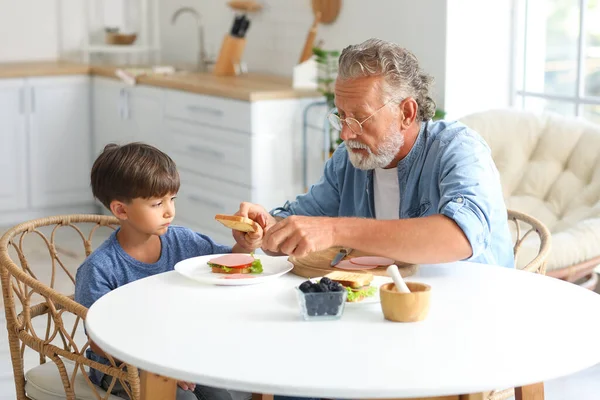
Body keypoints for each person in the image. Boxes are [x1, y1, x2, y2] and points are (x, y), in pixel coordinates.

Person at [231, 38, 514, 269]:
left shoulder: (459, 148)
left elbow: (461, 237)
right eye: (341, 116)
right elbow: (303, 223)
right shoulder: (348, 160)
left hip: (473, 308)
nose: (345, 134)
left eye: (359, 119)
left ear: (406, 112)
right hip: (384, 310)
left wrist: (334, 231)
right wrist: (266, 227)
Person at [75, 142, 255, 400]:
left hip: (178, 351)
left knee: (222, 395)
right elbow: (99, 343)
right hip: (120, 365)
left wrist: (244, 245)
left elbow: (226, 265)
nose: (170, 210)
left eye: (172, 199)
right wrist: (160, 365)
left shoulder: (183, 241)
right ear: (121, 210)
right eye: (157, 203)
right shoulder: (99, 269)